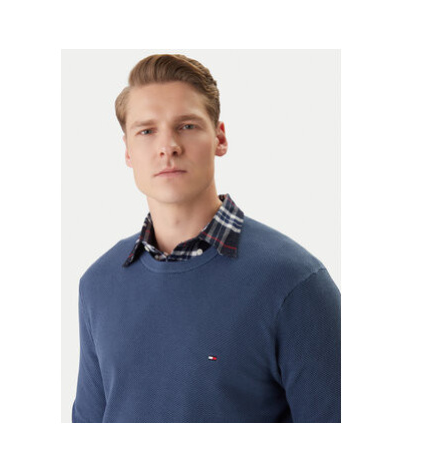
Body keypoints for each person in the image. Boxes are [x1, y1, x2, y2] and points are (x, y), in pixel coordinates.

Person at [71, 53, 341, 423]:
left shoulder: (293, 283)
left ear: (220, 138)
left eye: (186, 126)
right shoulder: (98, 283)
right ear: (128, 152)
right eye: (146, 131)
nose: (168, 146)